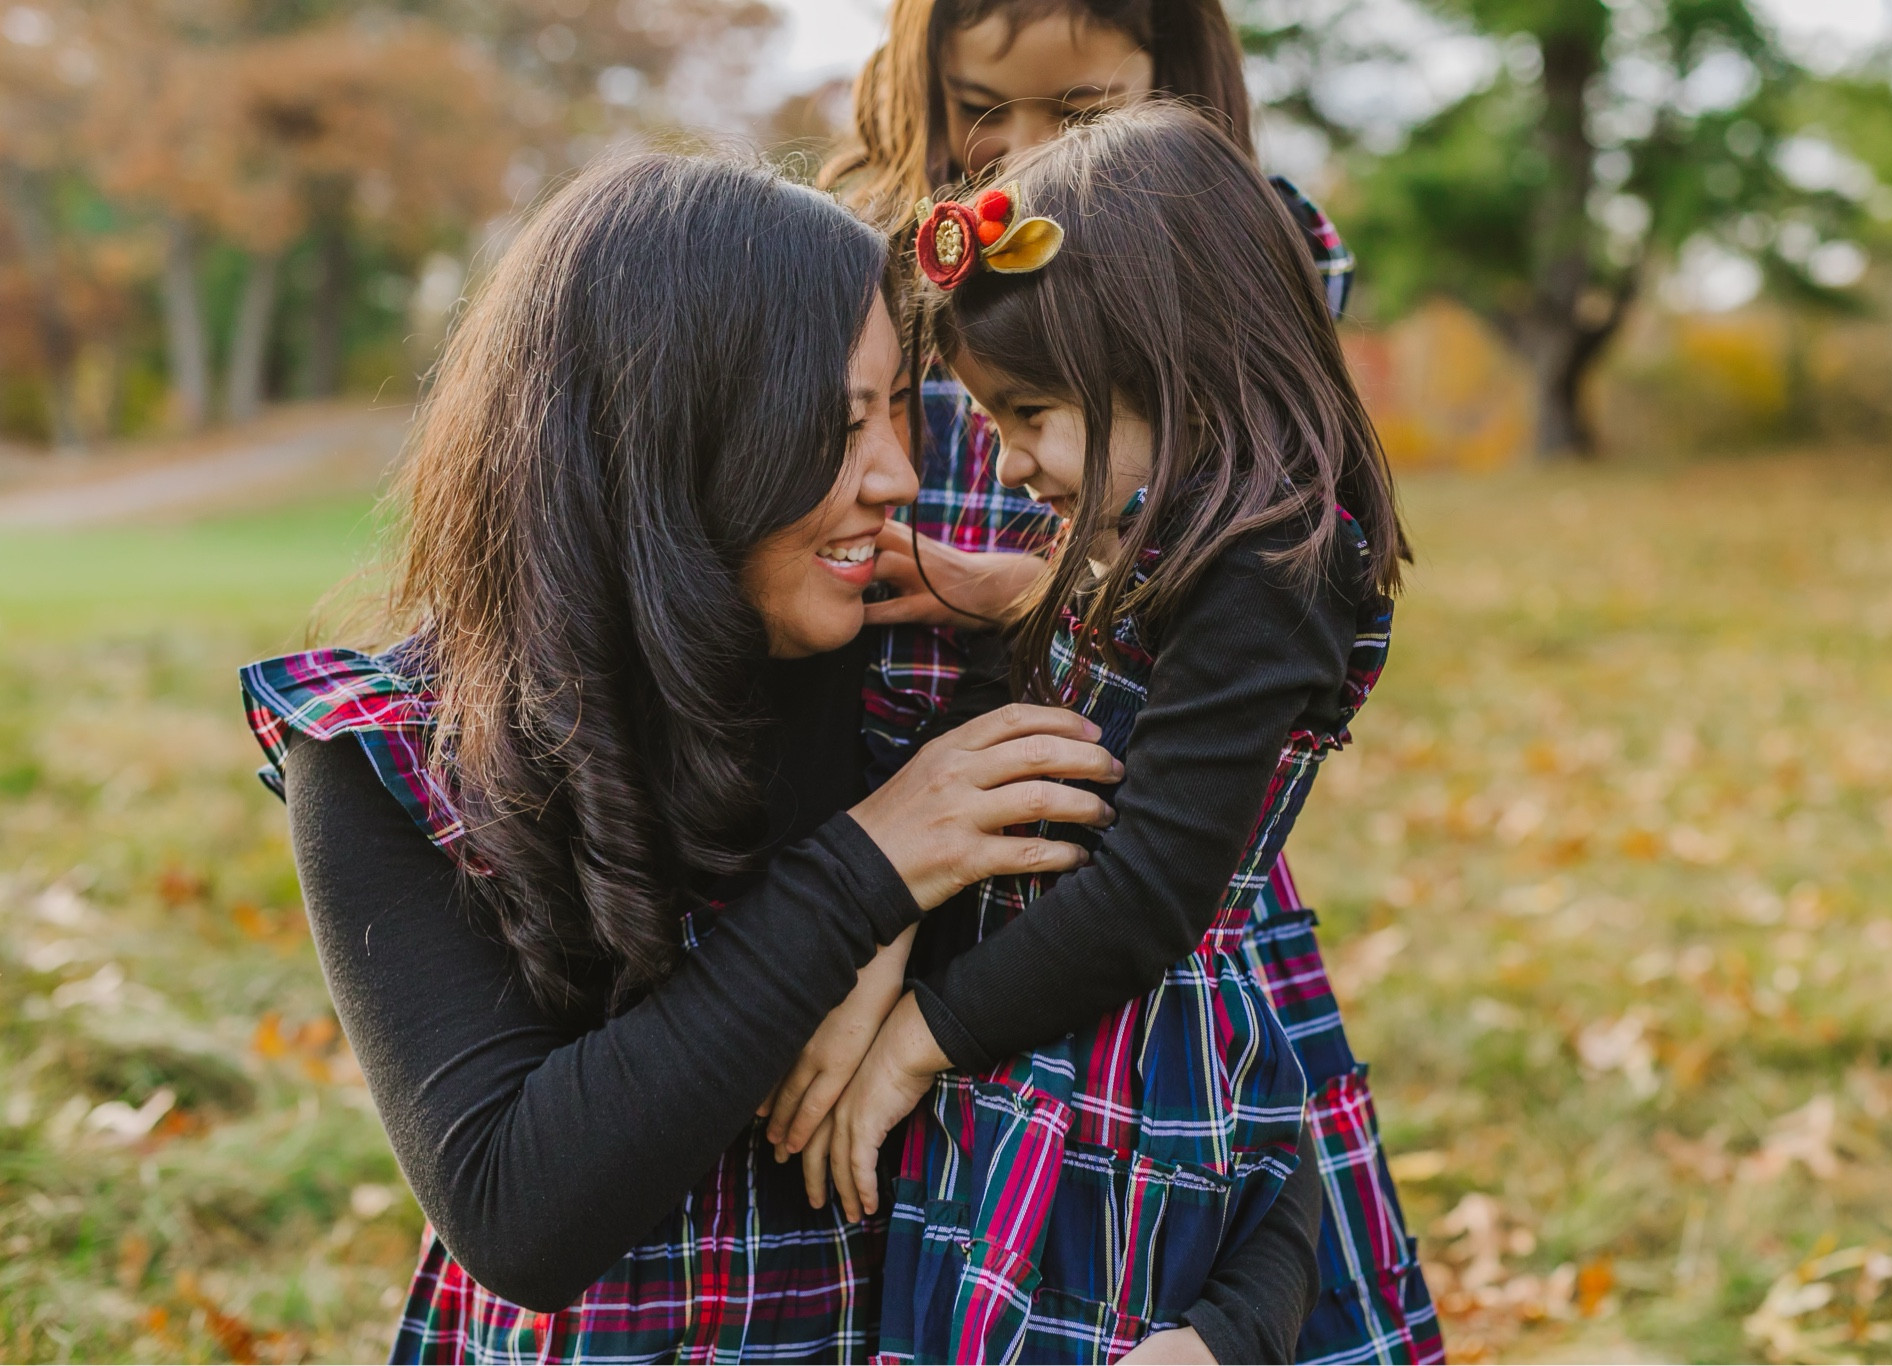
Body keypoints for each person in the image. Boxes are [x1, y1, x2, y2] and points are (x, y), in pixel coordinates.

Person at [239, 152, 1325, 1364]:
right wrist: (869, 870)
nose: (901, 477)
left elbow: (1211, 1032)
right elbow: (519, 1214)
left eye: (900, 407)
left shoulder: (941, 674)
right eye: (839, 421)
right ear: (671, 434)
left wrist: (1234, 1330)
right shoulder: (398, 756)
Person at [816, 4, 1442, 1362]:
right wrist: (1020, 587)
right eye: (986, 418)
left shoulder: (1271, 569)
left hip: (1129, 1066)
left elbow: (1155, 884)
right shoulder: (1190, 534)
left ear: (1179, 367)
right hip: (1050, 1028)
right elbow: (1126, 648)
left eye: (1027, 420)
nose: (1011, 462)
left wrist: (923, 1030)